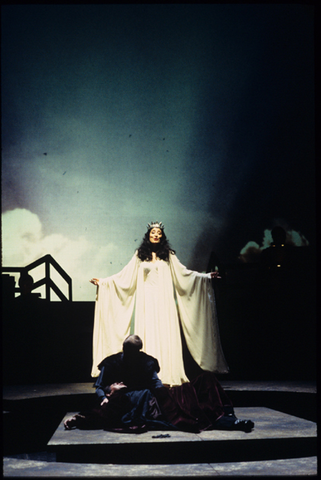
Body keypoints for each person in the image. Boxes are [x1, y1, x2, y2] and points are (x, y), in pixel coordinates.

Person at [90, 222, 228, 386]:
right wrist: (104, 282)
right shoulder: (139, 255)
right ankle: (147, 374)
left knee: (164, 331)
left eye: (158, 232)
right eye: (153, 232)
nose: (155, 234)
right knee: (148, 332)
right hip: (146, 302)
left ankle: (168, 372)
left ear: (162, 236)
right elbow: (125, 275)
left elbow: (184, 273)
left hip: (164, 301)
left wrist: (205, 277)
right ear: (148, 235)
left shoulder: (168, 255)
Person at [64, 335, 254, 433]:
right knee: (189, 413)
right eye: (127, 351)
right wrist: (106, 395)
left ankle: (228, 416)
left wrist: (171, 395)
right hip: (131, 402)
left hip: (154, 398)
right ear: (123, 349)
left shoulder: (146, 362)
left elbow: (156, 385)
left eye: (134, 352)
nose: (130, 355)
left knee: (204, 383)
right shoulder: (111, 362)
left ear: (139, 351)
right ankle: (231, 423)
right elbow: (99, 386)